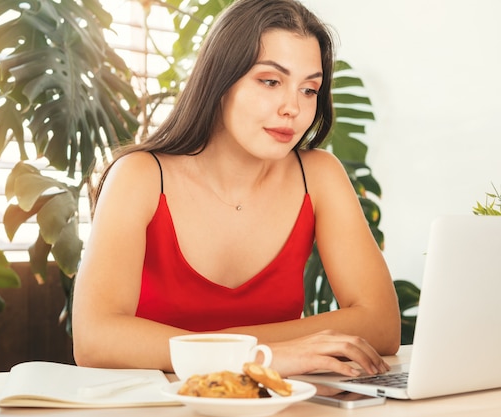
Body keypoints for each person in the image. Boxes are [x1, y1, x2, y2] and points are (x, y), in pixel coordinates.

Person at [72, 0, 401, 378]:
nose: (292, 107)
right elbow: (95, 339)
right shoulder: (140, 176)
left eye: (309, 89)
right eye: (270, 81)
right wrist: (260, 356)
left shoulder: (320, 175)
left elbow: (381, 325)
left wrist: (222, 351)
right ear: (220, 80)